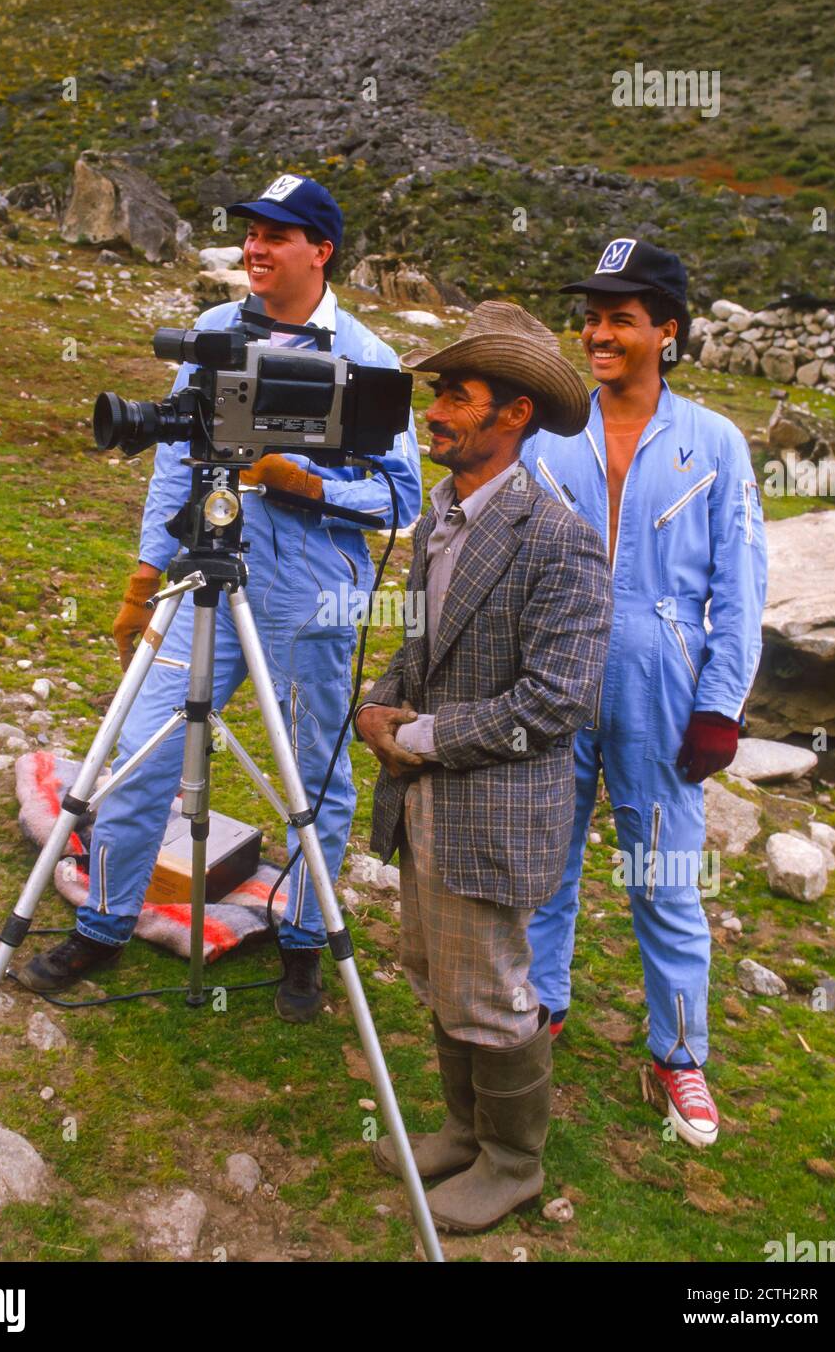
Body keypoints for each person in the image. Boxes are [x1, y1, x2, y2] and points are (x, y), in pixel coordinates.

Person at [20, 175, 421, 1022]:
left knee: (313, 771)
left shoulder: (368, 356)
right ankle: (104, 924)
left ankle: (307, 945)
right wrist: (142, 579)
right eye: (250, 233)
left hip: (313, 594)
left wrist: (301, 480)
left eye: (277, 234)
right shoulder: (210, 331)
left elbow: (402, 501)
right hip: (203, 567)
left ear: (322, 250)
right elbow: (177, 460)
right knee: (140, 746)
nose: (256, 248)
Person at [355, 302, 613, 1232]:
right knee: (439, 974)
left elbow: (555, 703)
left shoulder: (561, 539)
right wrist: (380, 699)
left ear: (515, 416)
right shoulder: (438, 519)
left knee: (496, 994)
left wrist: (415, 738)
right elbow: (420, 644)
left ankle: (514, 1162)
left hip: (492, 810)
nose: (434, 413)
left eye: (456, 396)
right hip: (426, 806)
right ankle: (465, 1133)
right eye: (436, 395)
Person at [521, 238, 768, 1146]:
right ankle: (540, 1007)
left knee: (663, 875)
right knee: (544, 854)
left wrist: (721, 705)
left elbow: (741, 584)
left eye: (620, 318)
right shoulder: (548, 431)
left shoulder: (715, 442)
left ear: (666, 329)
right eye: (591, 317)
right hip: (553, 669)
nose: (598, 333)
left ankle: (678, 1053)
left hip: (662, 683)